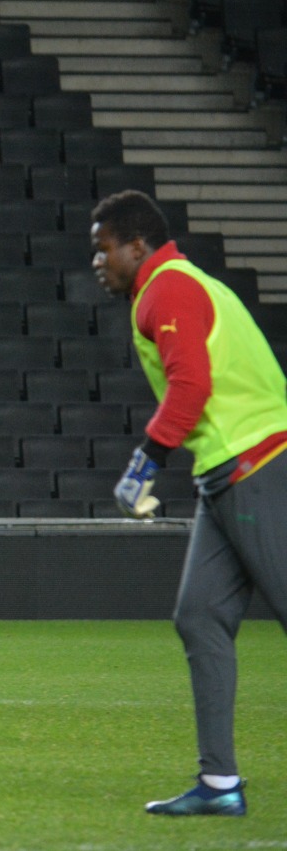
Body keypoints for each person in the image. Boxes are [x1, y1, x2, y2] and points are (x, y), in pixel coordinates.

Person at [91, 190, 287, 818]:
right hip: (228, 471)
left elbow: (192, 385)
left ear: (136, 246)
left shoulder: (166, 289)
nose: (98, 262)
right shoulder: (179, 283)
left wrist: (144, 463)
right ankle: (220, 783)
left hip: (258, 462)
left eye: (103, 249)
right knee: (199, 617)